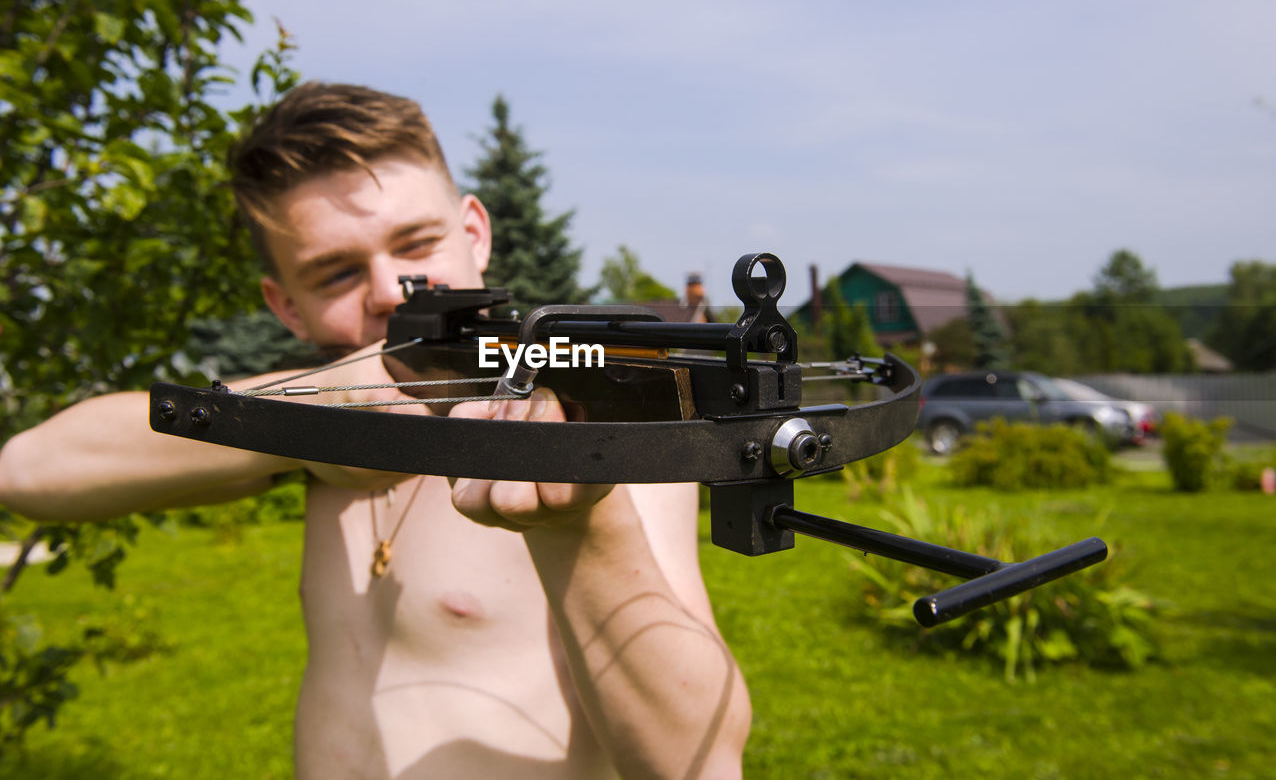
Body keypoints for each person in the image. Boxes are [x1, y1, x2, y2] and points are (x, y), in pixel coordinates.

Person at [0, 82, 751, 778]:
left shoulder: (594, 411)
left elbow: (697, 759)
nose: (392, 291)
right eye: (334, 273)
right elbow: (28, 470)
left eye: (418, 244)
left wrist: (582, 527)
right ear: (285, 305)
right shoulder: (312, 423)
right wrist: (316, 405)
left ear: (475, 232)